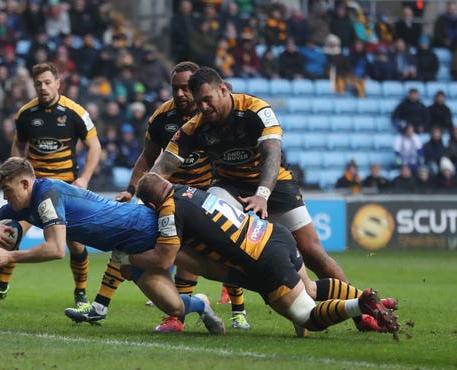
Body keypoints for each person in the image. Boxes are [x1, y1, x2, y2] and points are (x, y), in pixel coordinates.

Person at [148, 66, 385, 332]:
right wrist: (147, 189)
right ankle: (200, 308)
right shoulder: (194, 128)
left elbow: (272, 154)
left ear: (224, 89)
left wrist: (262, 194)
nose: (203, 107)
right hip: (229, 185)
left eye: (207, 99)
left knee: (313, 252)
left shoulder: (255, 110)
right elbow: (161, 167)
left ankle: (361, 315)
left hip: (274, 183)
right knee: (204, 231)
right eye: (198, 102)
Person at [65, 62, 249, 332]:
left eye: (186, 88)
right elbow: (147, 157)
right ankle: (101, 308)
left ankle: (238, 311)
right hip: (166, 196)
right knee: (127, 241)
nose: (181, 94)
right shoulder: (162, 117)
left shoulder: (211, 114)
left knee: (222, 251)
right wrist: (131, 189)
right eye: (175, 88)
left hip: (205, 195)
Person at [0, 157, 226, 335]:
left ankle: (254, 285)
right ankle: (201, 303)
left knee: (216, 266)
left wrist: (9, 257)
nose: (5, 197)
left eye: (7, 190)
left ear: (26, 184)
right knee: (173, 306)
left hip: (147, 228)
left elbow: (55, 249)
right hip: (128, 248)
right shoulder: (18, 206)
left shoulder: (46, 194)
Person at [130, 172, 399, 336]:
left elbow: (165, 258)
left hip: (265, 260)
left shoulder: (168, 209)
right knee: (312, 289)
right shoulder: (189, 192)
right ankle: (375, 301)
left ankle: (360, 304)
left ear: (152, 203)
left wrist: (133, 257)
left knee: (309, 318)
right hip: (274, 234)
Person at [0, 62, 102, 309]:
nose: (42, 88)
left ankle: (81, 293)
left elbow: (94, 146)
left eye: (47, 82)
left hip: (64, 191)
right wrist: (13, 174)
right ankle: (1, 287)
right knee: (8, 234)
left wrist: (84, 178)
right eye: (38, 84)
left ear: (58, 83)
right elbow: (18, 147)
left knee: (75, 244)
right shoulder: (25, 114)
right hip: (31, 191)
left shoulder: (76, 112)